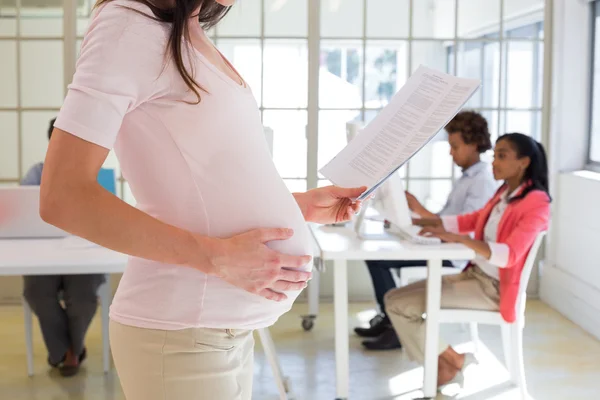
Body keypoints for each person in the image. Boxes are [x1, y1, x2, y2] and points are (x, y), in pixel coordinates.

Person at [38, 1, 365, 398]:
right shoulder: (127, 26)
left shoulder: (185, 32)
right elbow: (63, 196)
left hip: (219, 332)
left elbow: (197, 187)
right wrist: (215, 256)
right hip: (180, 335)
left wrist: (297, 206)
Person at [385, 133, 551, 388]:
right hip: (475, 278)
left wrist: (458, 239)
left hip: (493, 290)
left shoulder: (536, 203)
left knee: (399, 305)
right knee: (393, 299)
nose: (494, 162)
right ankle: (453, 360)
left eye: (502, 156)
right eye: (494, 155)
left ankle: (445, 365)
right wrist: (419, 220)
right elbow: (471, 220)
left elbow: (509, 255)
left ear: (524, 162)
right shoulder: (505, 193)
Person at [356, 111, 497, 350]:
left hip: (454, 258)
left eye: (455, 146)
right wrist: (410, 218)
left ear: (474, 145)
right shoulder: (467, 178)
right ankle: (390, 319)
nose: (451, 153)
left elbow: (466, 227)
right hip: (444, 247)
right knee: (376, 256)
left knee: (379, 259)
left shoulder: (481, 180)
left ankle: (393, 325)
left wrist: (419, 210)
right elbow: (445, 220)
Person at [21, 117, 105, 377]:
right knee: (36, 293)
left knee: (83, 298)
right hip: (44, 254)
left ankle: (71, 352)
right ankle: (67, 350)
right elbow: (24, 213)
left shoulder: (95, 174)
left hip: (84, 253)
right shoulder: (36, 173)